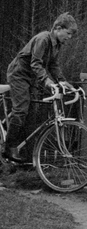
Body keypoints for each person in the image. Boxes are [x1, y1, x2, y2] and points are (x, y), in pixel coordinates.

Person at [3, 13, 77, 163]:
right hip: (19, 75)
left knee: (31, 114)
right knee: (21, 109)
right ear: (58, 28)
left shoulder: (57, 45)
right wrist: (47, 81)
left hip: (30, 77)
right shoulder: (43, 39)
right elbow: (35, 63)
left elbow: (52, 65)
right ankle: (8, 148)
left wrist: (62, 81)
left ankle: (26, 155)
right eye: (68, 33)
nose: (69, 37)